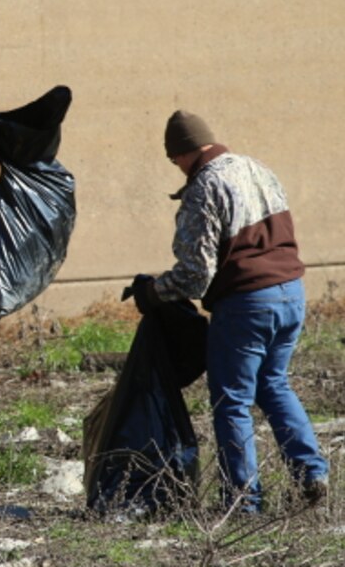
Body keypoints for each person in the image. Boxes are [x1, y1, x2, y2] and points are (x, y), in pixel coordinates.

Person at [128, 110, 329, 513]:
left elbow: (195, 275)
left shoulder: (205, 187)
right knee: (273, 384)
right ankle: (311, 474)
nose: (178, 168)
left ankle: (243, 501)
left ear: (181, 153)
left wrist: (153, 293)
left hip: (248, 303)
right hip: (292, 292)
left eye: (175, 160)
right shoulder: (258, 169)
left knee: (232, 400)